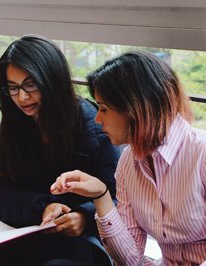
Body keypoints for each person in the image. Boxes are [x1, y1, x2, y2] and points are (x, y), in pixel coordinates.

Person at [50, 51, 206, 265]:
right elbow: (129, 259)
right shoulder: (128, 162)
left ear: (135, 108)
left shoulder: (201, 154)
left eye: (103, 108)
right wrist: (102, 196)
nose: (97, 119)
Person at [0, 35, 120, 265]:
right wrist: (43, 206)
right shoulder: (14, 123)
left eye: (30, 84)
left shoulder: (92, 125)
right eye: (13, 88)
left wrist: (83, 217)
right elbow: (1, 187)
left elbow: (117, 196)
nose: (22, 97)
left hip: (81, 239)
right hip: (27, 228)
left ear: (51, 80)